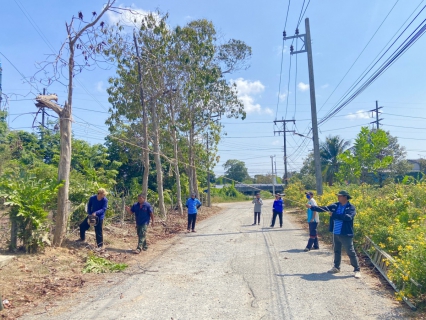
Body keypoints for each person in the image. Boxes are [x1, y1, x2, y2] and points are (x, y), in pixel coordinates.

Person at [306, 190, 361, 279]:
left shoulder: (351, 207)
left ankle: (357, 269)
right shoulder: (335, 205)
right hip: (336, 232)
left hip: (346, 233)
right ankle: (336, 267)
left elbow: (348, 217)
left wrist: (334, 215)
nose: (338, 197)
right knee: (336, 250)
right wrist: (312, 207)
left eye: (340, 196)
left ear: (345, 197)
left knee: (350, 251)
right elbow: (323, 208)